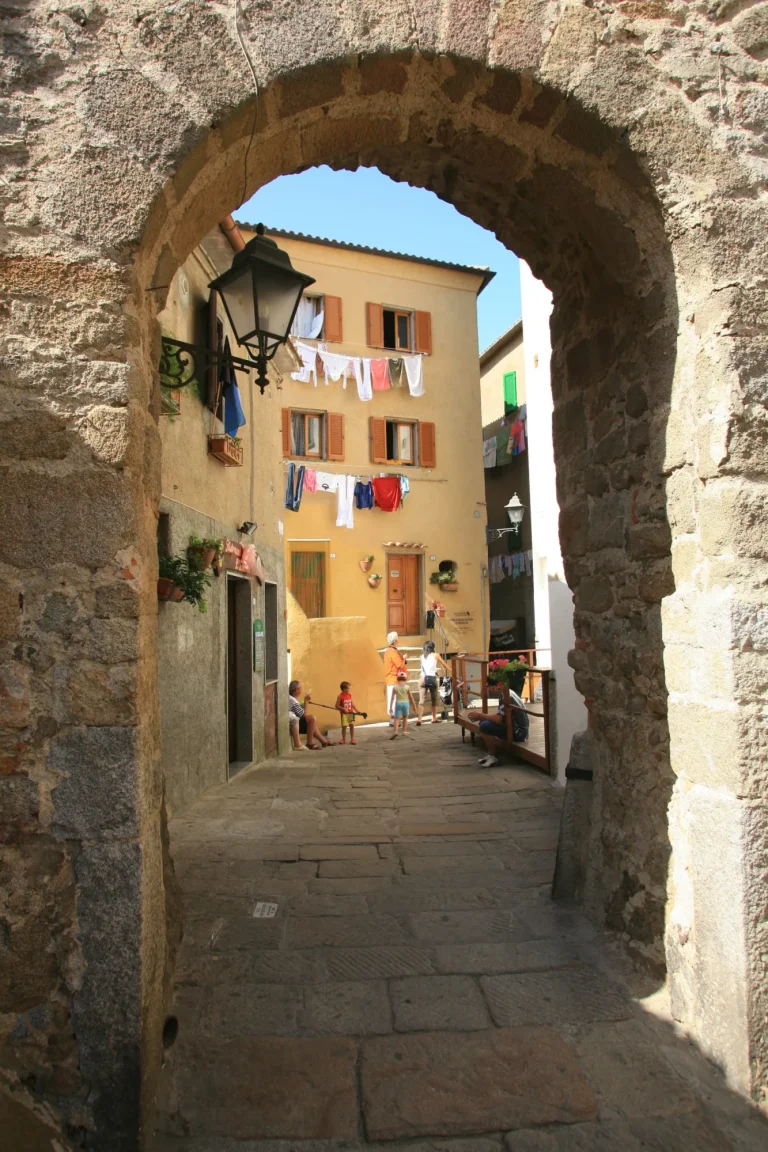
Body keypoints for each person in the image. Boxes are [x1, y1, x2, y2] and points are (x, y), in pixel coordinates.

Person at [467, 689, 528, 769]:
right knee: (483, 722)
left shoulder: (506, 697)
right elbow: (500, 716)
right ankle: (491, 754)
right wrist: (481, 717)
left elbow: (498, 719)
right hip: (513, 727)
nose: (487, 690)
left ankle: (493, 757)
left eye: (488, 686)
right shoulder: (506, 693)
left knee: (485, 726)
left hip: (518, 732)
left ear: (494, 686)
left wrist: (480, 715)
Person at [288, 680, 333, 749]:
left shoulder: (292, 698)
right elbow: (304, 715)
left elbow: (299, 709)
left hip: (295, 721)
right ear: (297, 690)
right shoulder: (292, 700)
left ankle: (323, 741)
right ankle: (310, 743)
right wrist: (306, 702)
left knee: (312, 721)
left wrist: (305, 701)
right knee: (311, 718)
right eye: (300, 689)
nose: (301, 691)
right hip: (294, 725)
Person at [416, 640, 450, 726]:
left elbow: (426, 668)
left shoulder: (421, 656)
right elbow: (445, 666)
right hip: (431, 679)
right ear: (432, 647)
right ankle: (433, 718)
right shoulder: (436, 655)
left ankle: (419, 719)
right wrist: (450, 669)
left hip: (422, 679)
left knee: (421, 701)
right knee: (434, 699)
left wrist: (434, 670)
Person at [383, 631, 407, 721]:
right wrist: (404, 658)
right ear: (395, 641)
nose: (398, 640)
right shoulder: (392, 651)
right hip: (394, 679)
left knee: (392, 699)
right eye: (397, 638)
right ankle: (394, 720)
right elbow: (399, 665)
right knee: (395, 700)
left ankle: (393, 720)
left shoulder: (389, 651)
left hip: (391, 679)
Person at [390, 669, 416, 739]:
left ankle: (395, 731)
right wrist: (414, 705)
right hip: (406, 703)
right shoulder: (407, 687)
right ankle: (404, 731)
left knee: (396, 718)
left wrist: (390, 707)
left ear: (398, 678)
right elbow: (411, 697)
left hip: (398, 703)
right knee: (405, 717)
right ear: (405, 678)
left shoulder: (395, 687)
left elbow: (392, 698)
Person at [335, 680, 360, 746]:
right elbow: (336, 706)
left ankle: (352, 739)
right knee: (344, 727)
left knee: (352, 726)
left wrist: (357, 711)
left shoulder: (349, 695)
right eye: (348, 688)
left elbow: (352, 704)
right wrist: (343, 709)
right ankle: (343, 739)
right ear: (344, 689)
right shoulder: (340, 696)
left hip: (351, 713)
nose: (350, 689)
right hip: (344, 714)